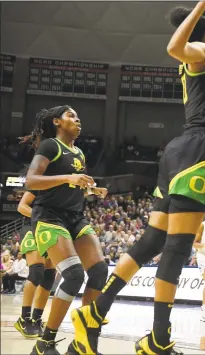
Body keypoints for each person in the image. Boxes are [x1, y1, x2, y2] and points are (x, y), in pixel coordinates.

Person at [70, 2, 205, 354]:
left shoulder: (204, 58)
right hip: (198, 149)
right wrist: (202, 6)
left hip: (177, 152)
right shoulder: (204, 50)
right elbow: (175, 48)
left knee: (152, 243)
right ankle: (158, 338)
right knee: (176, 250)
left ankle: (95, 312)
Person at [23, 105, 108, 355]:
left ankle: (83, 341)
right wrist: (68, 178)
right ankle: (45, 342)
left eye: (78, 116)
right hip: (49, 217)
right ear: (57, 122)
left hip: (75, 217)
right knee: (73, 275)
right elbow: (31, 181)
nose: (77, 119)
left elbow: (74, 185)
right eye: (71, 115)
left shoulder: (79, 152)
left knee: (100, 271)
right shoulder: (50, 145)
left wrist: (91, 189)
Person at [14, 191, 56, 339]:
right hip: (32, 227)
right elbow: (22, 207)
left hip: (52, 230)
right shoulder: (39, 181)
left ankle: (37, 319)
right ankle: (24, 318)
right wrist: (44, 218)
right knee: (37, 272)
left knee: (49, 277)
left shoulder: (64, 189)